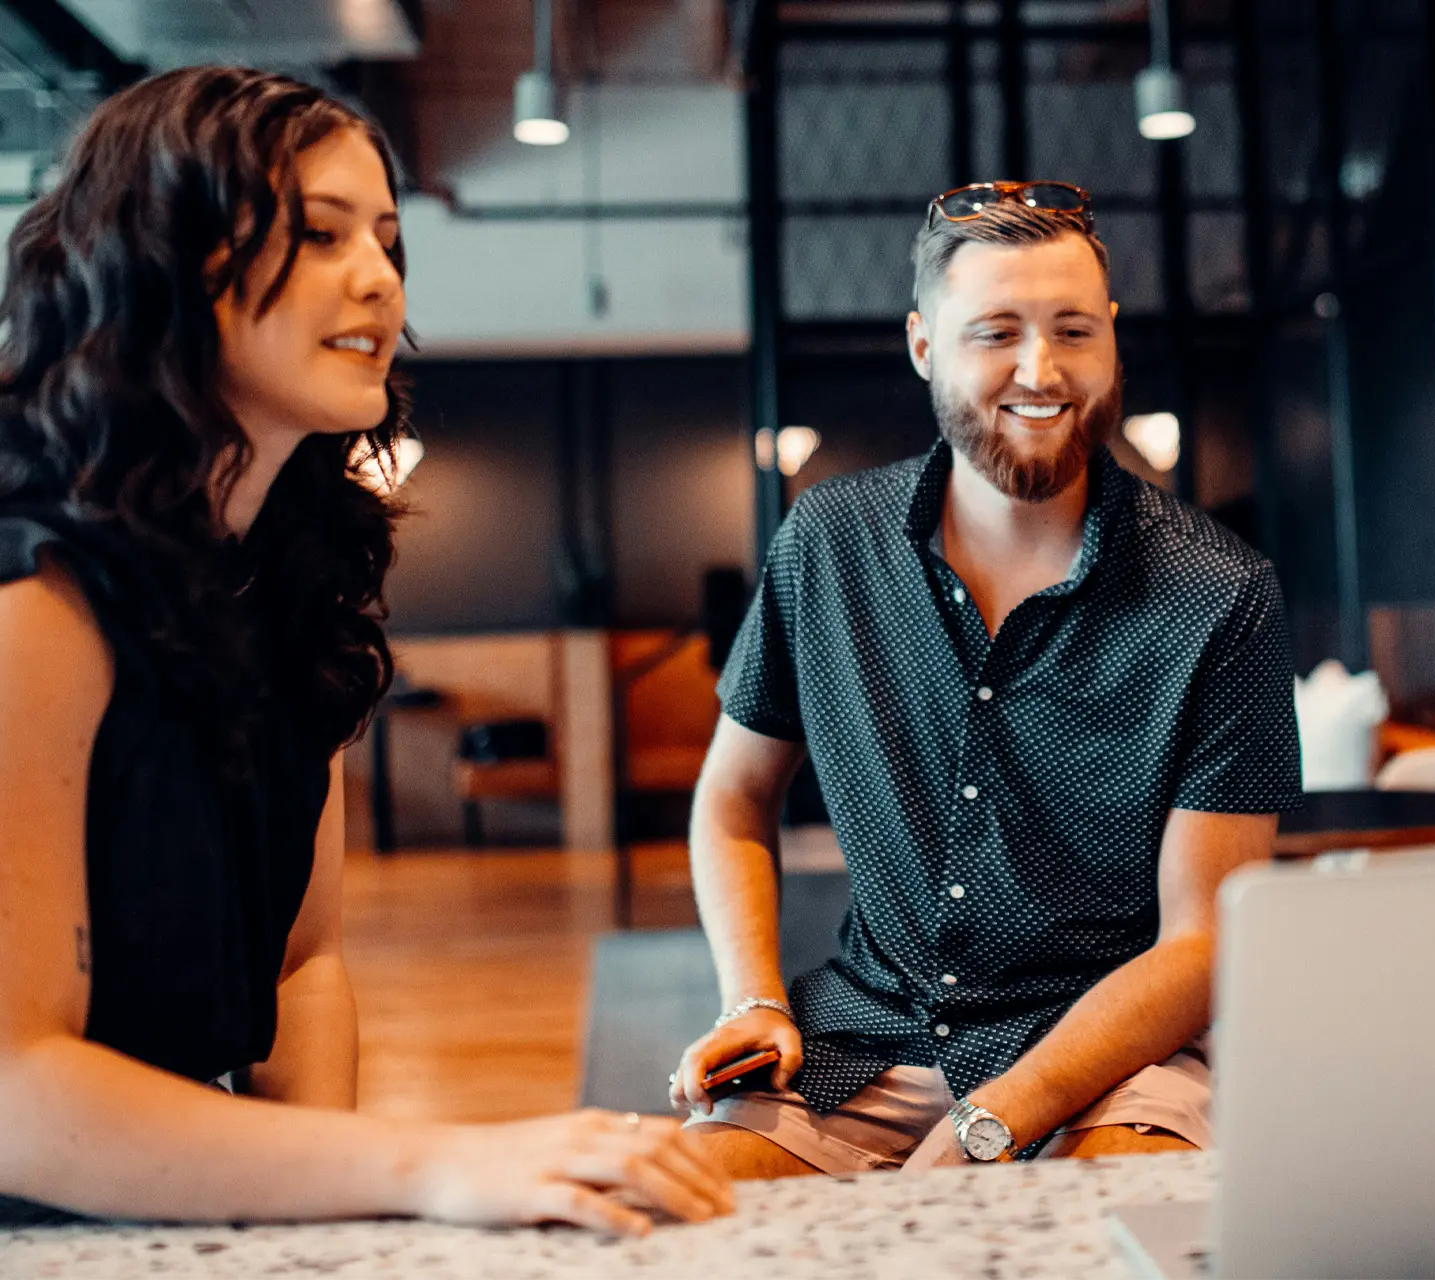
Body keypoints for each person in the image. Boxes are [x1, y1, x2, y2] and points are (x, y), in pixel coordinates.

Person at [0, 66, 730, 1233]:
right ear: (168, 263)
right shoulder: (32, 595)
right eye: (320, 232)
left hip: (162, 1207)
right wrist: (421, 1167)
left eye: (389, 237)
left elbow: (303, 965)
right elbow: (14, 1092)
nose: (380, 276)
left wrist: (328, 1222)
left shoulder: (291, 578)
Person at [670, 181, 1300, 1177]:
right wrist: (752, 998)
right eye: (995, 331)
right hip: (861, 1045)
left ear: (1113, 339)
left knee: (1083, 1241)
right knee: (687, 1219)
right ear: (925, 345)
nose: (1040, 370)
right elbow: (733, 802)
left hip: (1108, 1058)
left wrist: (992, 1120)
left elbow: (1202, 941)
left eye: (1072, 330)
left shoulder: (1223, 594)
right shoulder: (827, 546)